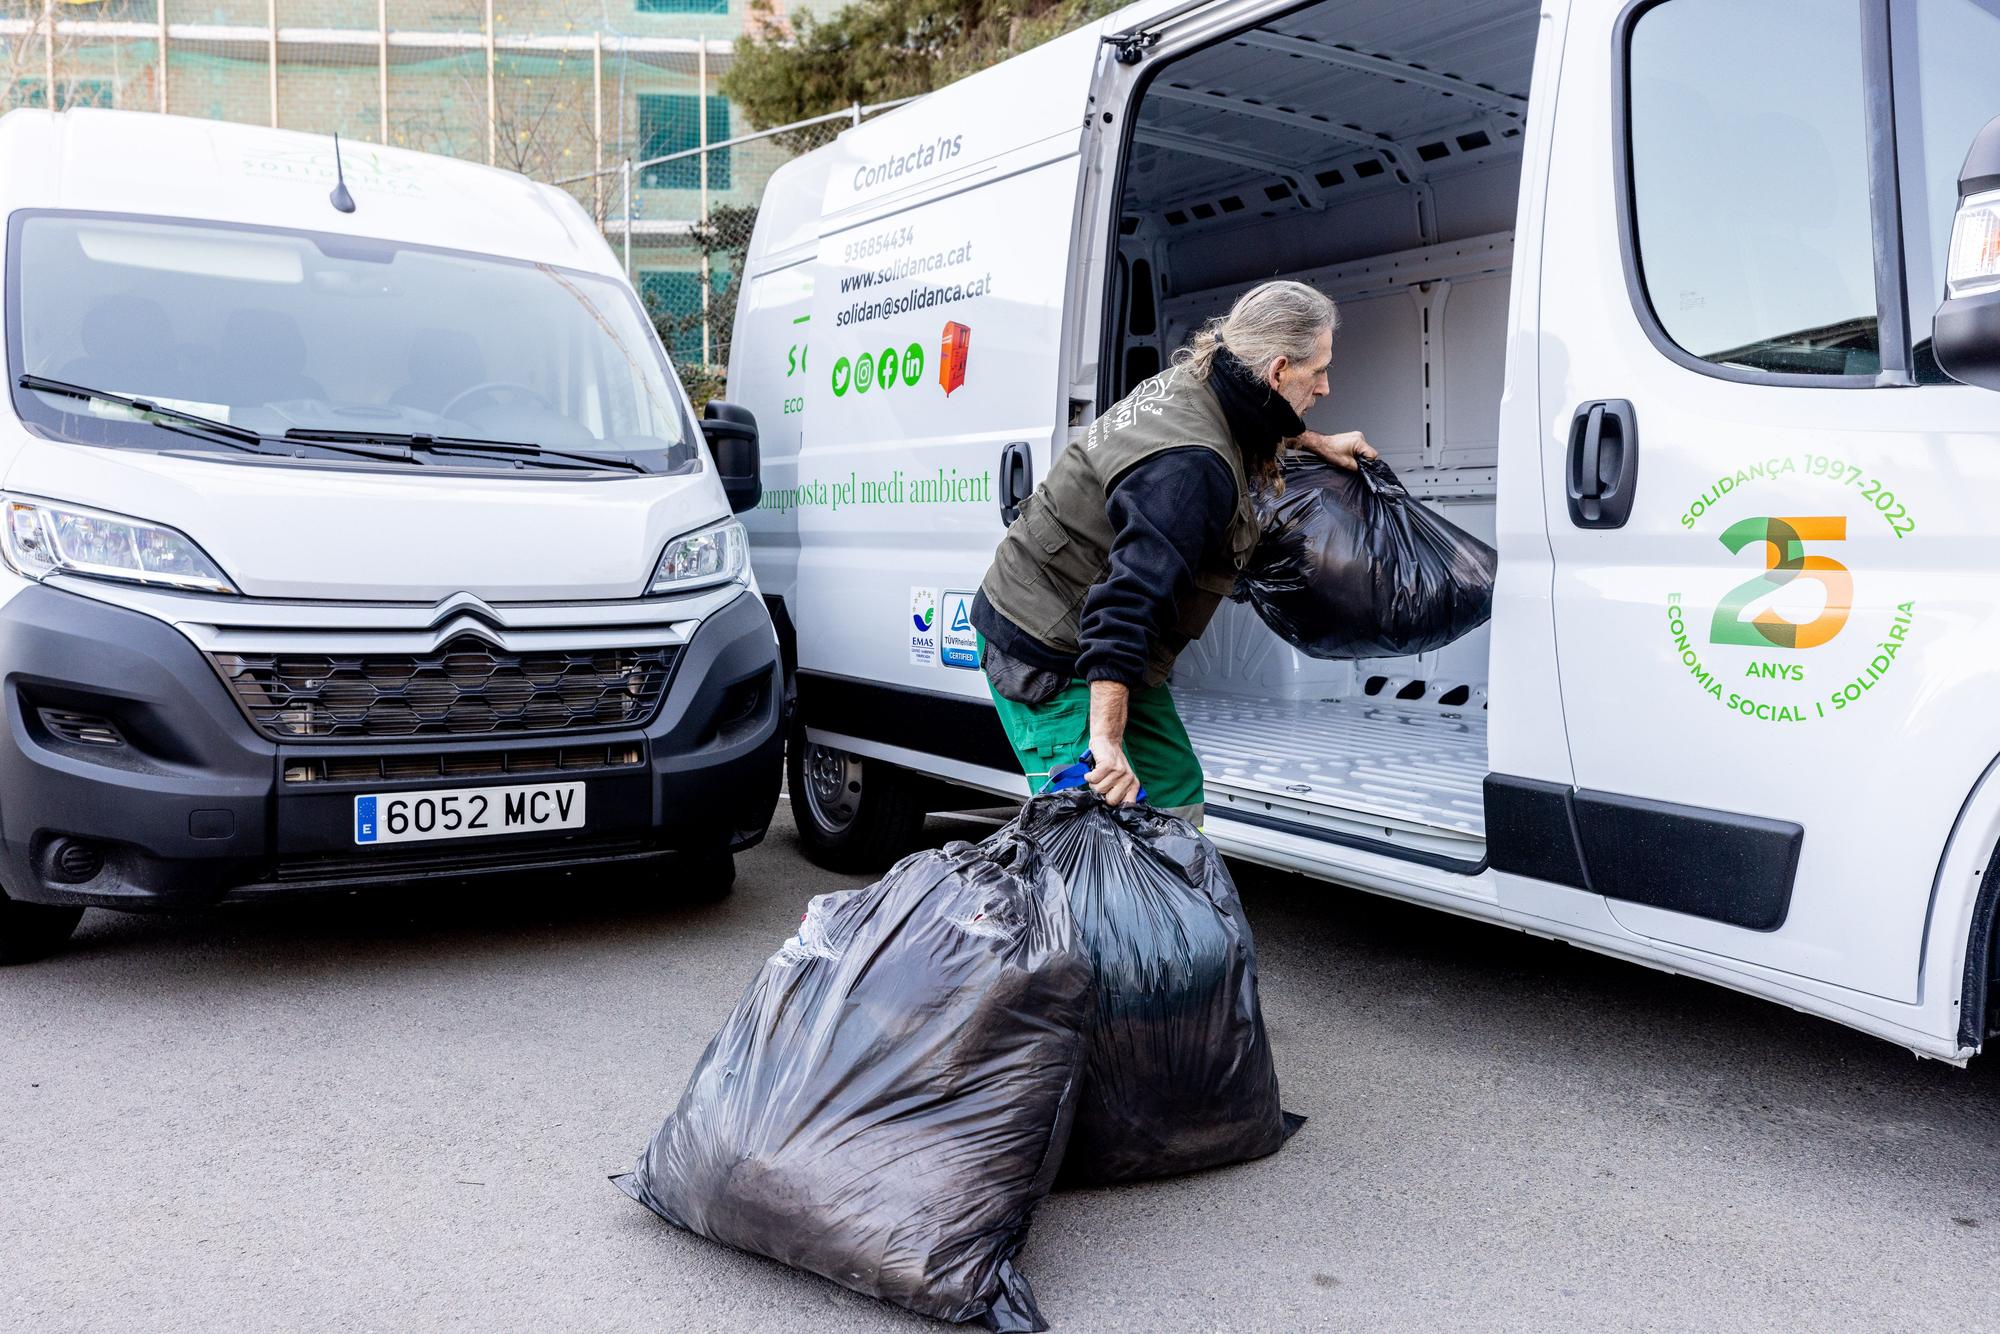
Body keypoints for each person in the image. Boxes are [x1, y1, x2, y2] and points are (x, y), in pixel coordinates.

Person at [971, 280, 1375, 823]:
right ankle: (1089, 905)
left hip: (1093, 630)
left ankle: (1174, 898)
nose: (1325, 385)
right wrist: (1106, 742)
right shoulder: (1189, 470)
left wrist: (1314, 440)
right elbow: (1123, 611)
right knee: (1088, 818)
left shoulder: (1205, 376)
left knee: (1173, 786)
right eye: (1319, 370)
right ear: (1279, 370)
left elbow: (1244, 415)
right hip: (1045, 641)